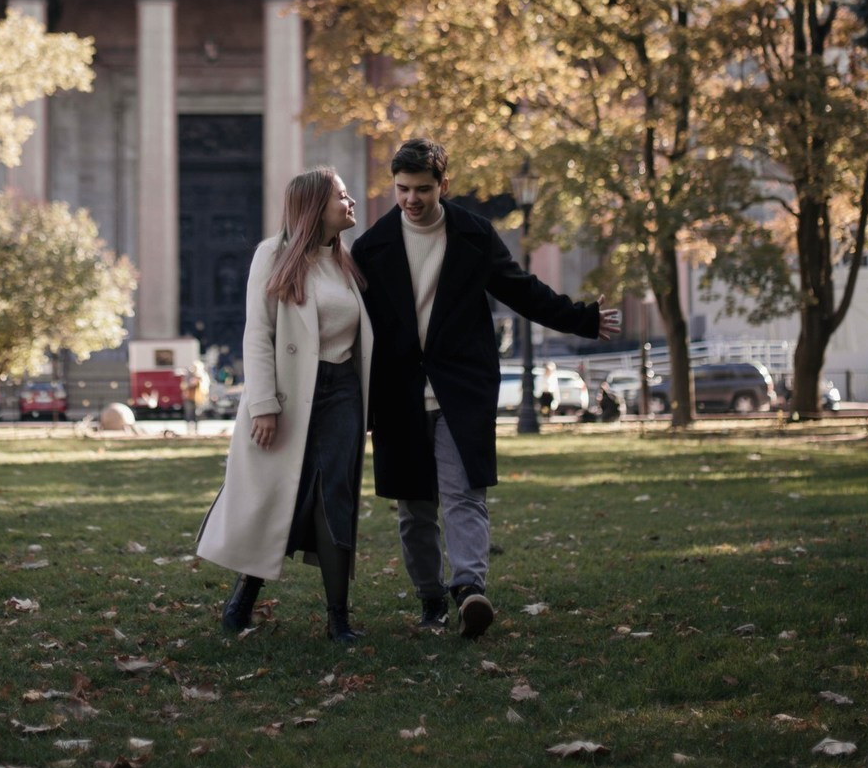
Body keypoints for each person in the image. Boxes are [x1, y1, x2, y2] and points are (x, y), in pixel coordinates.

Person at [352, 139, 620, 640]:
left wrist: (581, 319)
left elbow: (521, 288)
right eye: (403, 189)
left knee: (464, 494)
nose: (411, 199)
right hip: (399, 396)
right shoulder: (371, 247)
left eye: (423, 190)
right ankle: (431, 599)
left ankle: (469, 589)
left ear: (444, 186)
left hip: (461, 388)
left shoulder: (474, 234)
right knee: (414, 510)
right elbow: (356, 327)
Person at [197, 168, 373, 643]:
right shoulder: (271, 255)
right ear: (316, 204)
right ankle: (242, 600)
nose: (351, 201)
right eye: (341, 195)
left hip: (342, 394)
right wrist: (264, 405)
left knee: (333, 497)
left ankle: (339, 619)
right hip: (291, 394)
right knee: (280, 495)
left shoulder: (344, 260)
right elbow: (258, 333)